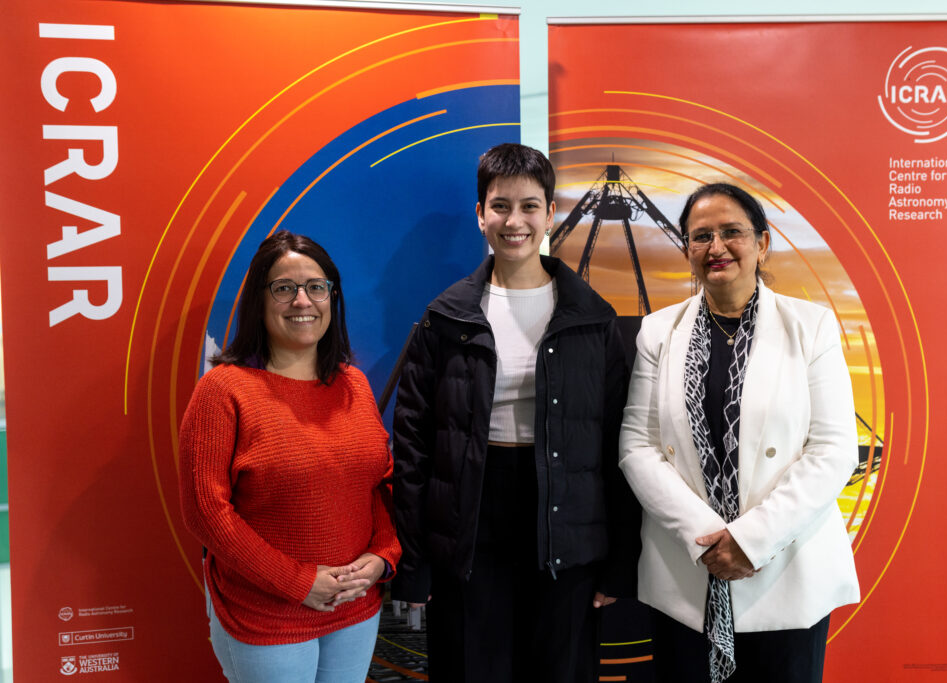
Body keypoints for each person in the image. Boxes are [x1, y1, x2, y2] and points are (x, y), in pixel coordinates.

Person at [391, 143, 640, 683]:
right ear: (480, 214)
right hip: (469, 526)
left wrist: (621, 561)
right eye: (500, 205)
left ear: (550, 213)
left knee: (559, 669)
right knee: (471, 666)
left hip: (568, 528)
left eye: (530, 206)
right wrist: (414, 564)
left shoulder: (593, 319)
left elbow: (621, 446)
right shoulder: (445, 318)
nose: (515, 220)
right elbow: (412, 447)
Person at [618, 183, 860, 683]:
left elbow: (834, 450)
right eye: (701, 236)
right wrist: (706, 539)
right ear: (687, 249)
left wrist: (750, 540)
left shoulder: (810, 327)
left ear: (762, 243)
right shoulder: (657, 333)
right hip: (686, 575)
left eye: (732, 232)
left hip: (786, 572)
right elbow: (637, 447)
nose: (716, 247)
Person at [179, 231, 400, 683]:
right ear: (259, 300)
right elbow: (206, 513)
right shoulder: (223, 390)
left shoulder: (352, 384)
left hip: (355, 608)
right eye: (285, 288)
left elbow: (378, 483)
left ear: (332, 298)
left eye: (316, 287)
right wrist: (297, 583)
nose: (303, 301)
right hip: (266, 615)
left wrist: (383, 555)